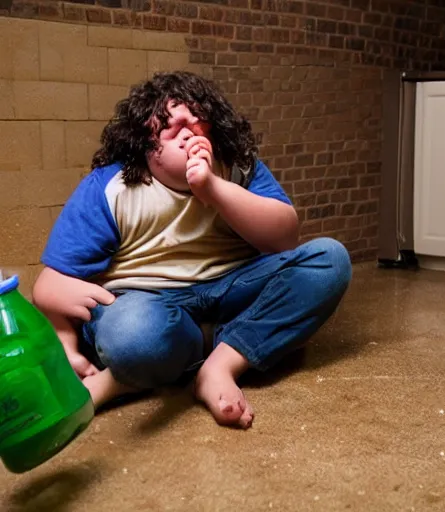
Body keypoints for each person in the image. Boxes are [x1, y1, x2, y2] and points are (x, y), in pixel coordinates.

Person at [32, 71, 352, 429]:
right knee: (132, 335)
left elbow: (284, 239)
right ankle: (217, 344)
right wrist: (65, 333)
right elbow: (54, 282)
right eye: (173, 127)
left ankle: (219, 365)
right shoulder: (111, 188)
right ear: (142, 140)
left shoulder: (236, 171)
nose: (190, 133)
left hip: (233, 289)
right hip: (152, 305)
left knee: (329, 261)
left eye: (200, 126)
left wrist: (213, 189)